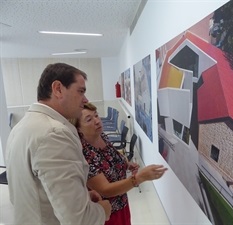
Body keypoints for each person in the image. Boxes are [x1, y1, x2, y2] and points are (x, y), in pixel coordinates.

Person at [5, 63, 111, 225]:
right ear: (58, 89)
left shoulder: (21, 127)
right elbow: (79, 219)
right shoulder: (54, 134)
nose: (86, 100)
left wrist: (82, 196)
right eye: (81, 91)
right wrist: (102, 211)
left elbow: (34, 191)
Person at [71, 102, 168, 225]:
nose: (97, 121)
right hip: (107, 213)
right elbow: (105, 190)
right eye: (89, 119)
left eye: (96, 115)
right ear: (78, 128)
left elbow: (113, 155)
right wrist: (139, 177)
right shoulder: (84, 154)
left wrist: (126, 164)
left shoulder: (101, 136)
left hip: (122, 203)